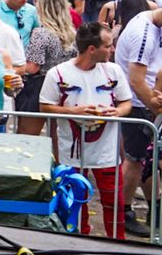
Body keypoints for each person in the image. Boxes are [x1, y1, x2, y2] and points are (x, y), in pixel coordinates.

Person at [40, 22, 132, 239]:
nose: (112, 50)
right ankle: (78, 244)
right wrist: (74, 111)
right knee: (75, 204)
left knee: (114, 203)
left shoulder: (114, 70)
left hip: (107, 153)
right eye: (108, 46)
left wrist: (117, 112)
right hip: (71, 152)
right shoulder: (57, 73)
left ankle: (117, 246)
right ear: (92, 49)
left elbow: (126, 102)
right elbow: (44, 106)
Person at [113, 6, 162, 237]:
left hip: (146, 101)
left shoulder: (153, 22)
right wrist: (154, 107)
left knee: (147, 159)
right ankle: (122, 212)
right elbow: (136, 80)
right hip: (138, 103)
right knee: (134, 160)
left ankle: (155, 207)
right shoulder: (144, 34)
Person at [16, 0, 77, 135]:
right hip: (65, 85)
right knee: (57, 134)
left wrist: (14, 68)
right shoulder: (73, 33)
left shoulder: (41, 33)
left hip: (40, 86)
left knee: (27, 134)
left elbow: (33, 67)